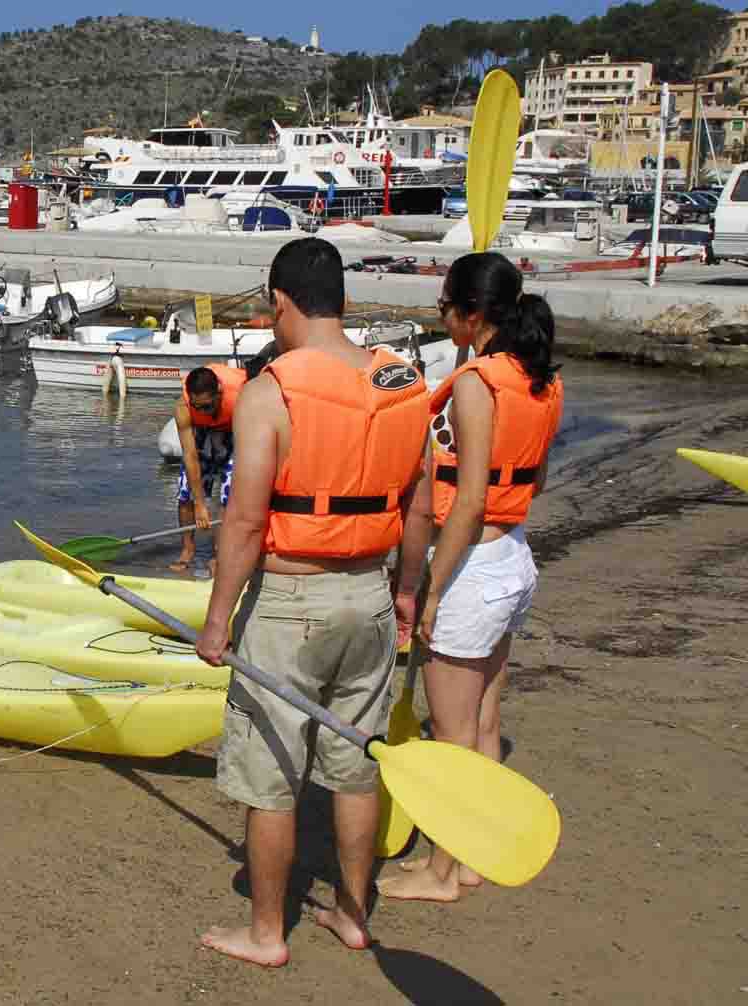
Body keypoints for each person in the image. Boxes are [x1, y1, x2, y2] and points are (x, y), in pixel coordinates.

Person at [193, 237, 432, 968]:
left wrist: (217, 618)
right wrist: (406, 593)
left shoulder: (271, 392)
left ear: (280, 304)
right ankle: (354, 914)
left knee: (271, 774)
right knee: (357, 767)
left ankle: (268, 934)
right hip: (368, 590)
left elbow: (244, 520)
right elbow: (420, 510)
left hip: (290, 602)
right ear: (346, 303)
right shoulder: (405, 381)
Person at [378, 252, 563, 904]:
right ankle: (474, 859)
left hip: (473, 564)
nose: (439, 316)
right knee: (484, 720)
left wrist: (429, 592)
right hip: (514, 557)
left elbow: (471, 499)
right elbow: (529, 480)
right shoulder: (537, 377)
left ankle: (441, 871)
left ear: (472, 313)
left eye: (444, 308)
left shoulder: (480, 384)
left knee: (449, 735)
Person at [169, 362, 247, 577]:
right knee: (185, 493)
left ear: (219, 394)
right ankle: (188, 548)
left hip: (232, 429)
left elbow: (248, 442)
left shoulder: (241, 396)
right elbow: (190, 456)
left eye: (207, 406)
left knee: (228, 496)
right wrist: (200, 503)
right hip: (202, 431)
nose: (202, 410)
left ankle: (219, 554)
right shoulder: (184, 407)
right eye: (197, 407)